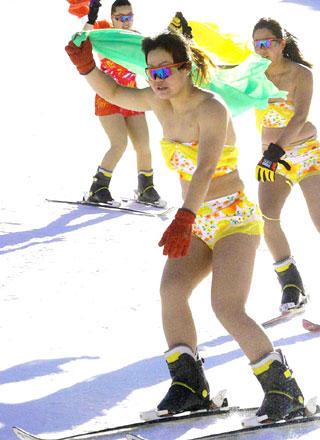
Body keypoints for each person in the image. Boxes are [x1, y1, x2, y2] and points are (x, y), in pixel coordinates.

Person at [65, 26, 305, 424]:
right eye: (150, 72)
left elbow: (207, 167)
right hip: (195, 220)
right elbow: (114, 94)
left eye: (164, 71)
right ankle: (191, 388)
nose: (156, 80)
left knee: (226, 306)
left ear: (186, 68)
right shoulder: (159, 104)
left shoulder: (212, 108)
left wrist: (184, 215)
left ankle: (284, 391)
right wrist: (87, 66)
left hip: (233, 220)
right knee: (172, 291)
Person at [253, 18, 320, 314]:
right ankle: (291, 285)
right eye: (257, 43)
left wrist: (276, 151)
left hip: (305, 153)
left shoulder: (301, 74)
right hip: (273, 157)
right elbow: (217, 76)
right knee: (267, 217)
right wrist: (185, 41)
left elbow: (299, 116)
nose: (262, 49)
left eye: (267, 42)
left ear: (281, 43)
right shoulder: (254, 74)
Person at [80, 0, 162, 205]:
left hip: (132, 96)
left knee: (143, 145)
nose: (126, 21)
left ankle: (146, 187)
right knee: (119, 144)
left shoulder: (137, 37)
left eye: (129, 16)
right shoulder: (104, 33)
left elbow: (146, 64)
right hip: (108, 95)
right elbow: (83, 38)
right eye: (121, 17)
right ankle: (97, 188)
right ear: (112, 18)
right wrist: (91, 18)